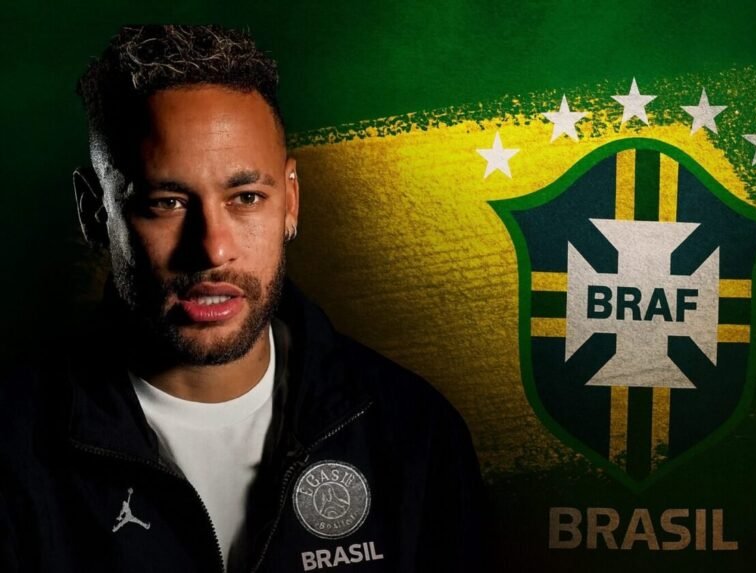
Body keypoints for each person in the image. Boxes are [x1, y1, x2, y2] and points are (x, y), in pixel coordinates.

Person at [0, 25, 484, 572]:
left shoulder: (413, 432)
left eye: (246, 197)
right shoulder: (12, 447)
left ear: (291, 201)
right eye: (166, 202)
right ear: (95, 213)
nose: (213, 249)